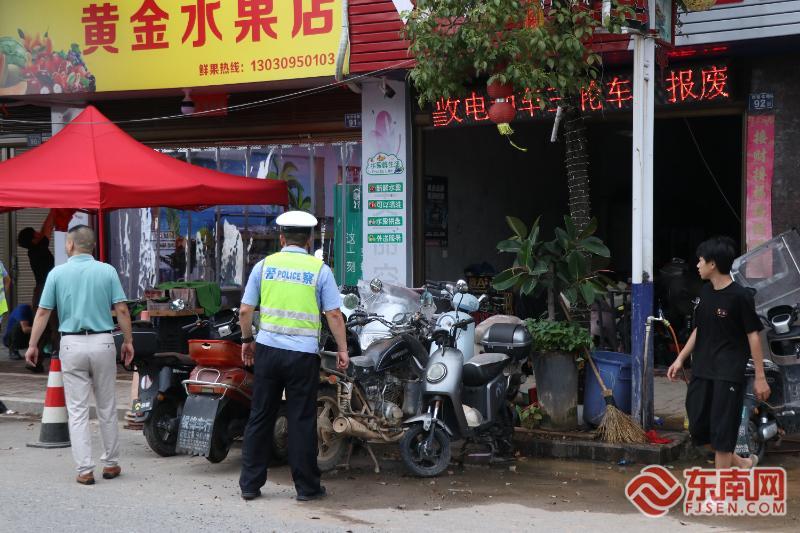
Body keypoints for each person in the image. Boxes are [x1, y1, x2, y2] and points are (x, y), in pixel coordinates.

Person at [238, 211, 349, 502]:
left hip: (267, 351)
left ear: (282, 238)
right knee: (301, 419)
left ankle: (250, 485)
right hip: (302, 356)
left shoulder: (264, 266)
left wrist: (247, 340)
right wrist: (342, 349)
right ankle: (307, 488)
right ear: (309, 240)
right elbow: (334, 314)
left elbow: (245, 310)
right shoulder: (319, 270)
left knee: (261, 415)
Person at [25, 225, 134, 485]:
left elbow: (43, 312)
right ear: (92, 246)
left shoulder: (57, 273)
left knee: (77, 410)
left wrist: (32, 344)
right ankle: (111, 464)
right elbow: (121, 309)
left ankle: (85, 469)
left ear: (71, 245)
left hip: (71, 344)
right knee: (107, 406)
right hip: (103, 341)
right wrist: (128, 341)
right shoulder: (107, 271)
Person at [668, 236, 771, 470]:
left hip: (728, 373)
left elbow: (753, 335)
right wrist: (680, 358)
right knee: (698, 429)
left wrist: (760, 376)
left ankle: (720, 489)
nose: (697, 265)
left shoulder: (740, 296)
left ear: (713, 264)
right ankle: (743, 463)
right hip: (702, 369)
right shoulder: (705, 292)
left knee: (722, 434)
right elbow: (699, 329)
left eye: (700, 260)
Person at [17, 212, 55, 307]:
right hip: (46, 290)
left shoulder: (33, 250)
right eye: (35, 233)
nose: (39, 233)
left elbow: (44, 230)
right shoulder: (39, 250)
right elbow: (48, 227)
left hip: (41, 289)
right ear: (33, 240)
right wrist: (54, 210)